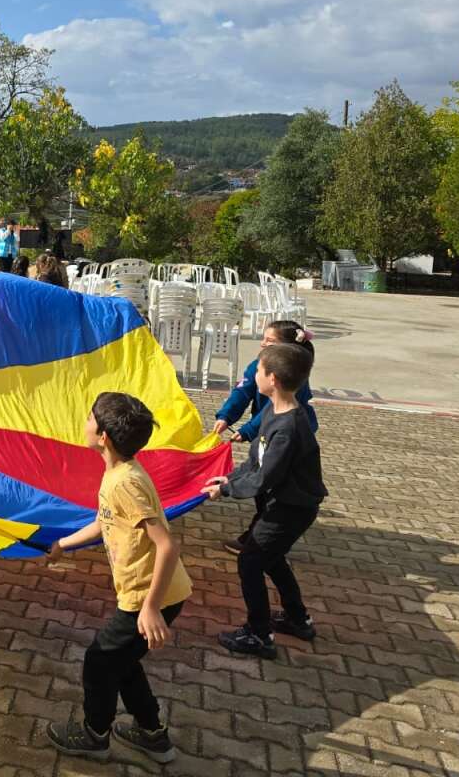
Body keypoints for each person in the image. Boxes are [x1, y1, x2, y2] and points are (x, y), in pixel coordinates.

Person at [45, 393, 191, 762]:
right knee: (122, 662)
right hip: (152, 592)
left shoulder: (124, 482)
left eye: (91, 417)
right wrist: (64, 543)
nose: (85, 421)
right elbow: (102, 521)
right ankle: (153, 736)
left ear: (104, 436)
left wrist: (151, 609)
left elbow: (167, 546)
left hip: (149, 596)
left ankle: (95, 735)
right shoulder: (119, 473)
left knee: (99, 660)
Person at [202, 342, 327, 659]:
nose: (253, 374)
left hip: (290, 509)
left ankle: (259, 635)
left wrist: (226, 491)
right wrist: (228, 478)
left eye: (257, 370)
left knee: (251, 561)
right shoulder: (274, 410)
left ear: (272, 378)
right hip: (283, 505)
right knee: (271, 559)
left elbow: (264, 478)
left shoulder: (288, 428)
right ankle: (298, 619)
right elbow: (256, 462)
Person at [214, 321, 317, 554]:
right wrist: (226, 417)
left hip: (277, 436)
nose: (262, 344)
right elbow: (242, 391)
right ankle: (262, 541)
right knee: (264, 482)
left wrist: (249, 430)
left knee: (271, 487)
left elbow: (271, 414)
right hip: (267, 432)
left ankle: (260, 541)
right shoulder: (260, 367)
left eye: (270, 341)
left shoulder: (289, 393)